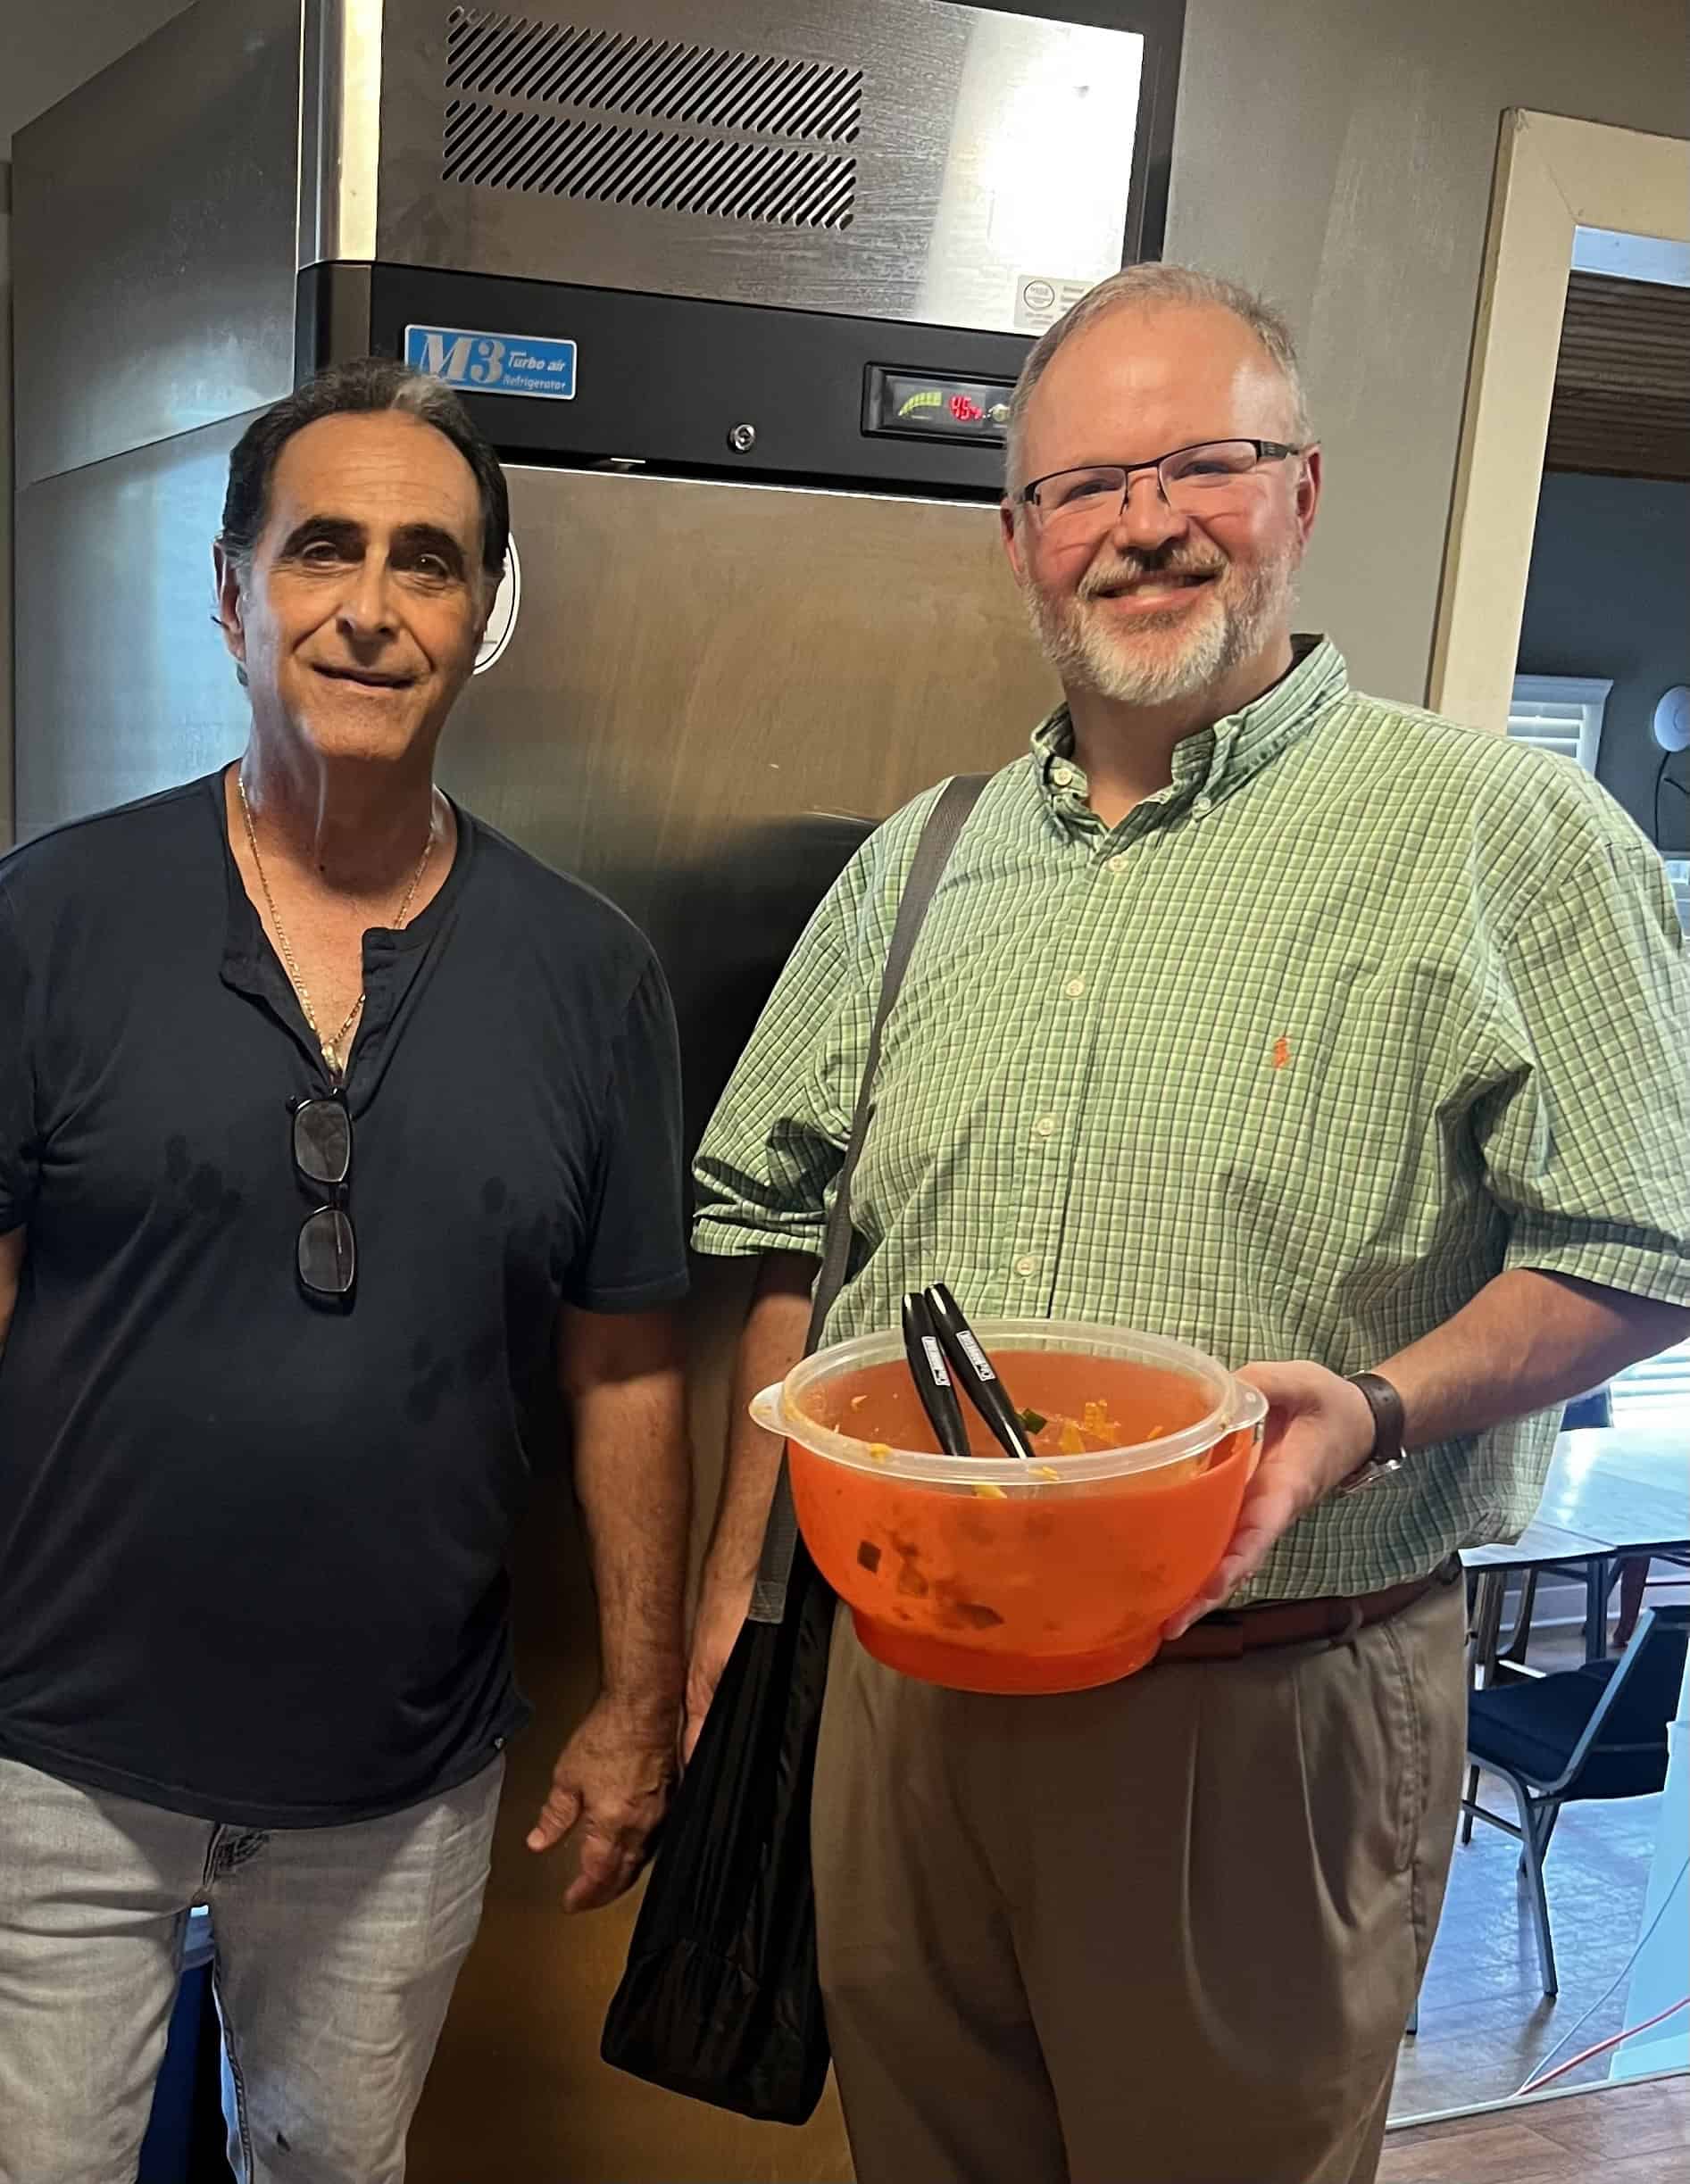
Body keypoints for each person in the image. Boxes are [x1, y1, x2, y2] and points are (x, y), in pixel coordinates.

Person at [685, 266, 1690, 2184]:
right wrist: (742, 1615)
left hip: (1263, 1710)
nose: (1142, 523)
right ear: (1019, 539)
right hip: (903, 1705)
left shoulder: (1499, 837)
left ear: (1298, 492)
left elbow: (1644, 1247)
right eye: (1083, 485)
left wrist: (1375, 1410)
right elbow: (778, 1245)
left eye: (1201, 465)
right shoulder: (920, 863)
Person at [0, 360, 692, 2184]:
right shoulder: (51, 919)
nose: (371, 608)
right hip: (51, 1761)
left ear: (482, 615)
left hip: (399, 1785)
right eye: (322, 550)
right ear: (233, 592)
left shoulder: (589, 977)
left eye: (427, 562)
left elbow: (627, 1365)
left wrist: (638, 1708)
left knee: (330, 2168)